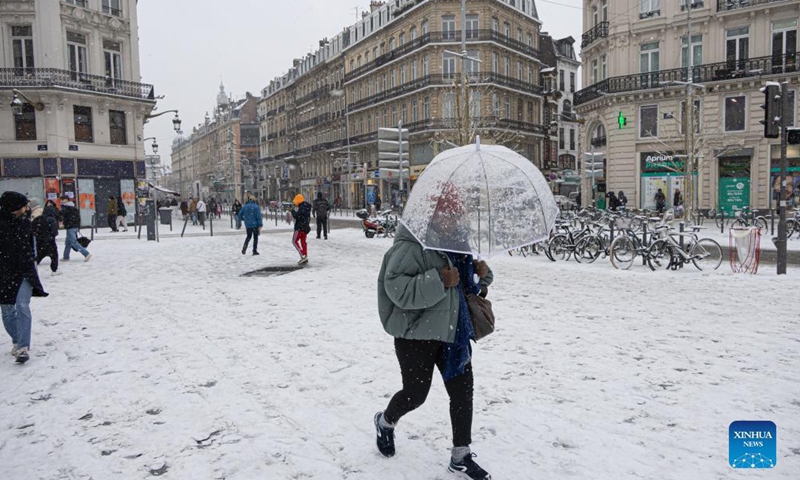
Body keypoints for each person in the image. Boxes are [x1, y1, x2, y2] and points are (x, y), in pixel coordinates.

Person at [373, 187, 494, 480]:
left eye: (456, 214)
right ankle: (386, 421)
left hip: (454, 332)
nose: (453, 220)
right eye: (447, 214)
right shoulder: (410, 245)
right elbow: (397, 290)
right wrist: (438, 279)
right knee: (416, 394)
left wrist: (482, 274)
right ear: (433, 215)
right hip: (416, 334)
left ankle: (460, 456)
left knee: (463, 392)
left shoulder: (459, 245)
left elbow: (469, 288)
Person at [1, 191, 49, 364]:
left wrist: (33, 262)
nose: (26, 208)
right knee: (7, 311)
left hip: (24, 272)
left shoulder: (25, 223)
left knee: (22, 306)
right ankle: (17, 338)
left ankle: (22, 346)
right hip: (4, 273)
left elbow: (31, 246)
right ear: (14, 207)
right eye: (23, 205)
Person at [32, 200, 60, 275]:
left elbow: (33, 228)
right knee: (54, 255)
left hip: (40, 241)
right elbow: (55, 232)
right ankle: (54, 269)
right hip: (50, 240)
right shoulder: (52, 219)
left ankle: (32, 268)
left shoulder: (38, 219)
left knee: (39, 254)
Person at [60, 197, 91, 262]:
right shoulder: (74, 208)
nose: (62, 201)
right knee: (68, 242)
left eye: (63, 200)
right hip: (74, 227)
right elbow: (78, 218)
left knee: (73, 242)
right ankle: (66, 256)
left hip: (70, 227)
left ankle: (86, 253)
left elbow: (63, 216)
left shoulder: (66, 208)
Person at [291, 194, 312, 265]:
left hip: (299, 228)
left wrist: (293, 211)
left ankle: (302, 255)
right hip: (305, 227)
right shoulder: (307, 207)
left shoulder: (302, 207)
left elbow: (297, 216)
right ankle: (305, 255)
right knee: (303, 242)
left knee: (294, 241)